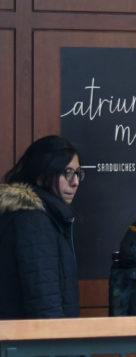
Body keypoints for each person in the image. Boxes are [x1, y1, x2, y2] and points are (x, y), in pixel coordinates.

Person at [0, 135, 83, 319]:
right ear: (41, 175)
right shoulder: (33, 220)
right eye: (67, 172)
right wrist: (61, 346)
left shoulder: (43, 215)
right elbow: (45, 305)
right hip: (37, 343)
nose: (75, 181)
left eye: (77, 173)